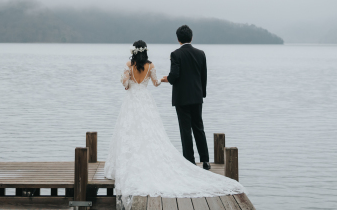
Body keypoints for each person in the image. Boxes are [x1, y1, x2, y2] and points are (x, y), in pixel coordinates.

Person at [104, 37, 243, 210]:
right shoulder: (151, 66)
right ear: (146, 51)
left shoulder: (128, 65)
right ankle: (202, 160)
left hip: (131, 101)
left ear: (133, 52)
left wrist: (129, 82)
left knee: (128, 132)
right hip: (147, 101)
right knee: (151, 132)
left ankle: (133, 163)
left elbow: (125, 83)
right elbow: (155, 83)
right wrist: (163, 80)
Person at [160, 25, 209, 167]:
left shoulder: (176, 54)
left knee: (185, 130)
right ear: (191, 37)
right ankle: (205, 160)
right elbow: (203, 76)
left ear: (178, 39)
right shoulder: (201, 53)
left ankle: (190, 161)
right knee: (199, 127)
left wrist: (166, 79)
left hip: (181, 98)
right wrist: (202, 94)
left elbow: (174, 76)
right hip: (197, 96)